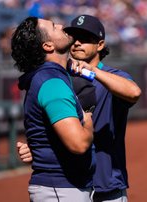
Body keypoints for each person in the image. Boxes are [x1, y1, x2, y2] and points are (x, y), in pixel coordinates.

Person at [18, 15, 142, 202]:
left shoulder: (111, 77)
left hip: (107, 184)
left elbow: (134, 92)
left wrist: (93, 73)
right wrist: (34, 148)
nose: (77, 43)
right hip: (71, 184)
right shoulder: (56, 78)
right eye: (74, 37)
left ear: (100, 45)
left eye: (85, 38)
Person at [11, 17, 95, 202]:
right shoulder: (52, 82)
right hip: (62, 189)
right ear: (48, 46)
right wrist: (88, 122)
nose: (61, 26)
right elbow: (79, 143)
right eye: (53, 26)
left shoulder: (51, 77)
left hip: (63, 188)